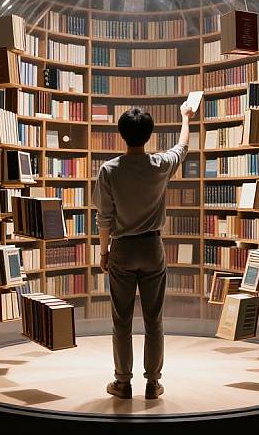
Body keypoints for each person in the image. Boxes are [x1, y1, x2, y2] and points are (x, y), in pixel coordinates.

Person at [92, 101, 195, 400]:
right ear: (149, 135)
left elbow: (104, 218)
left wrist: (103, 253)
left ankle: (123, 383)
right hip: (152, 248)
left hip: (122, 249)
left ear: (122, 134)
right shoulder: (160, 165)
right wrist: (185, 117)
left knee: (121, 320)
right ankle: (153, 383)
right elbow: (183, 146)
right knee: (154, 319)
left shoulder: (109, 170)